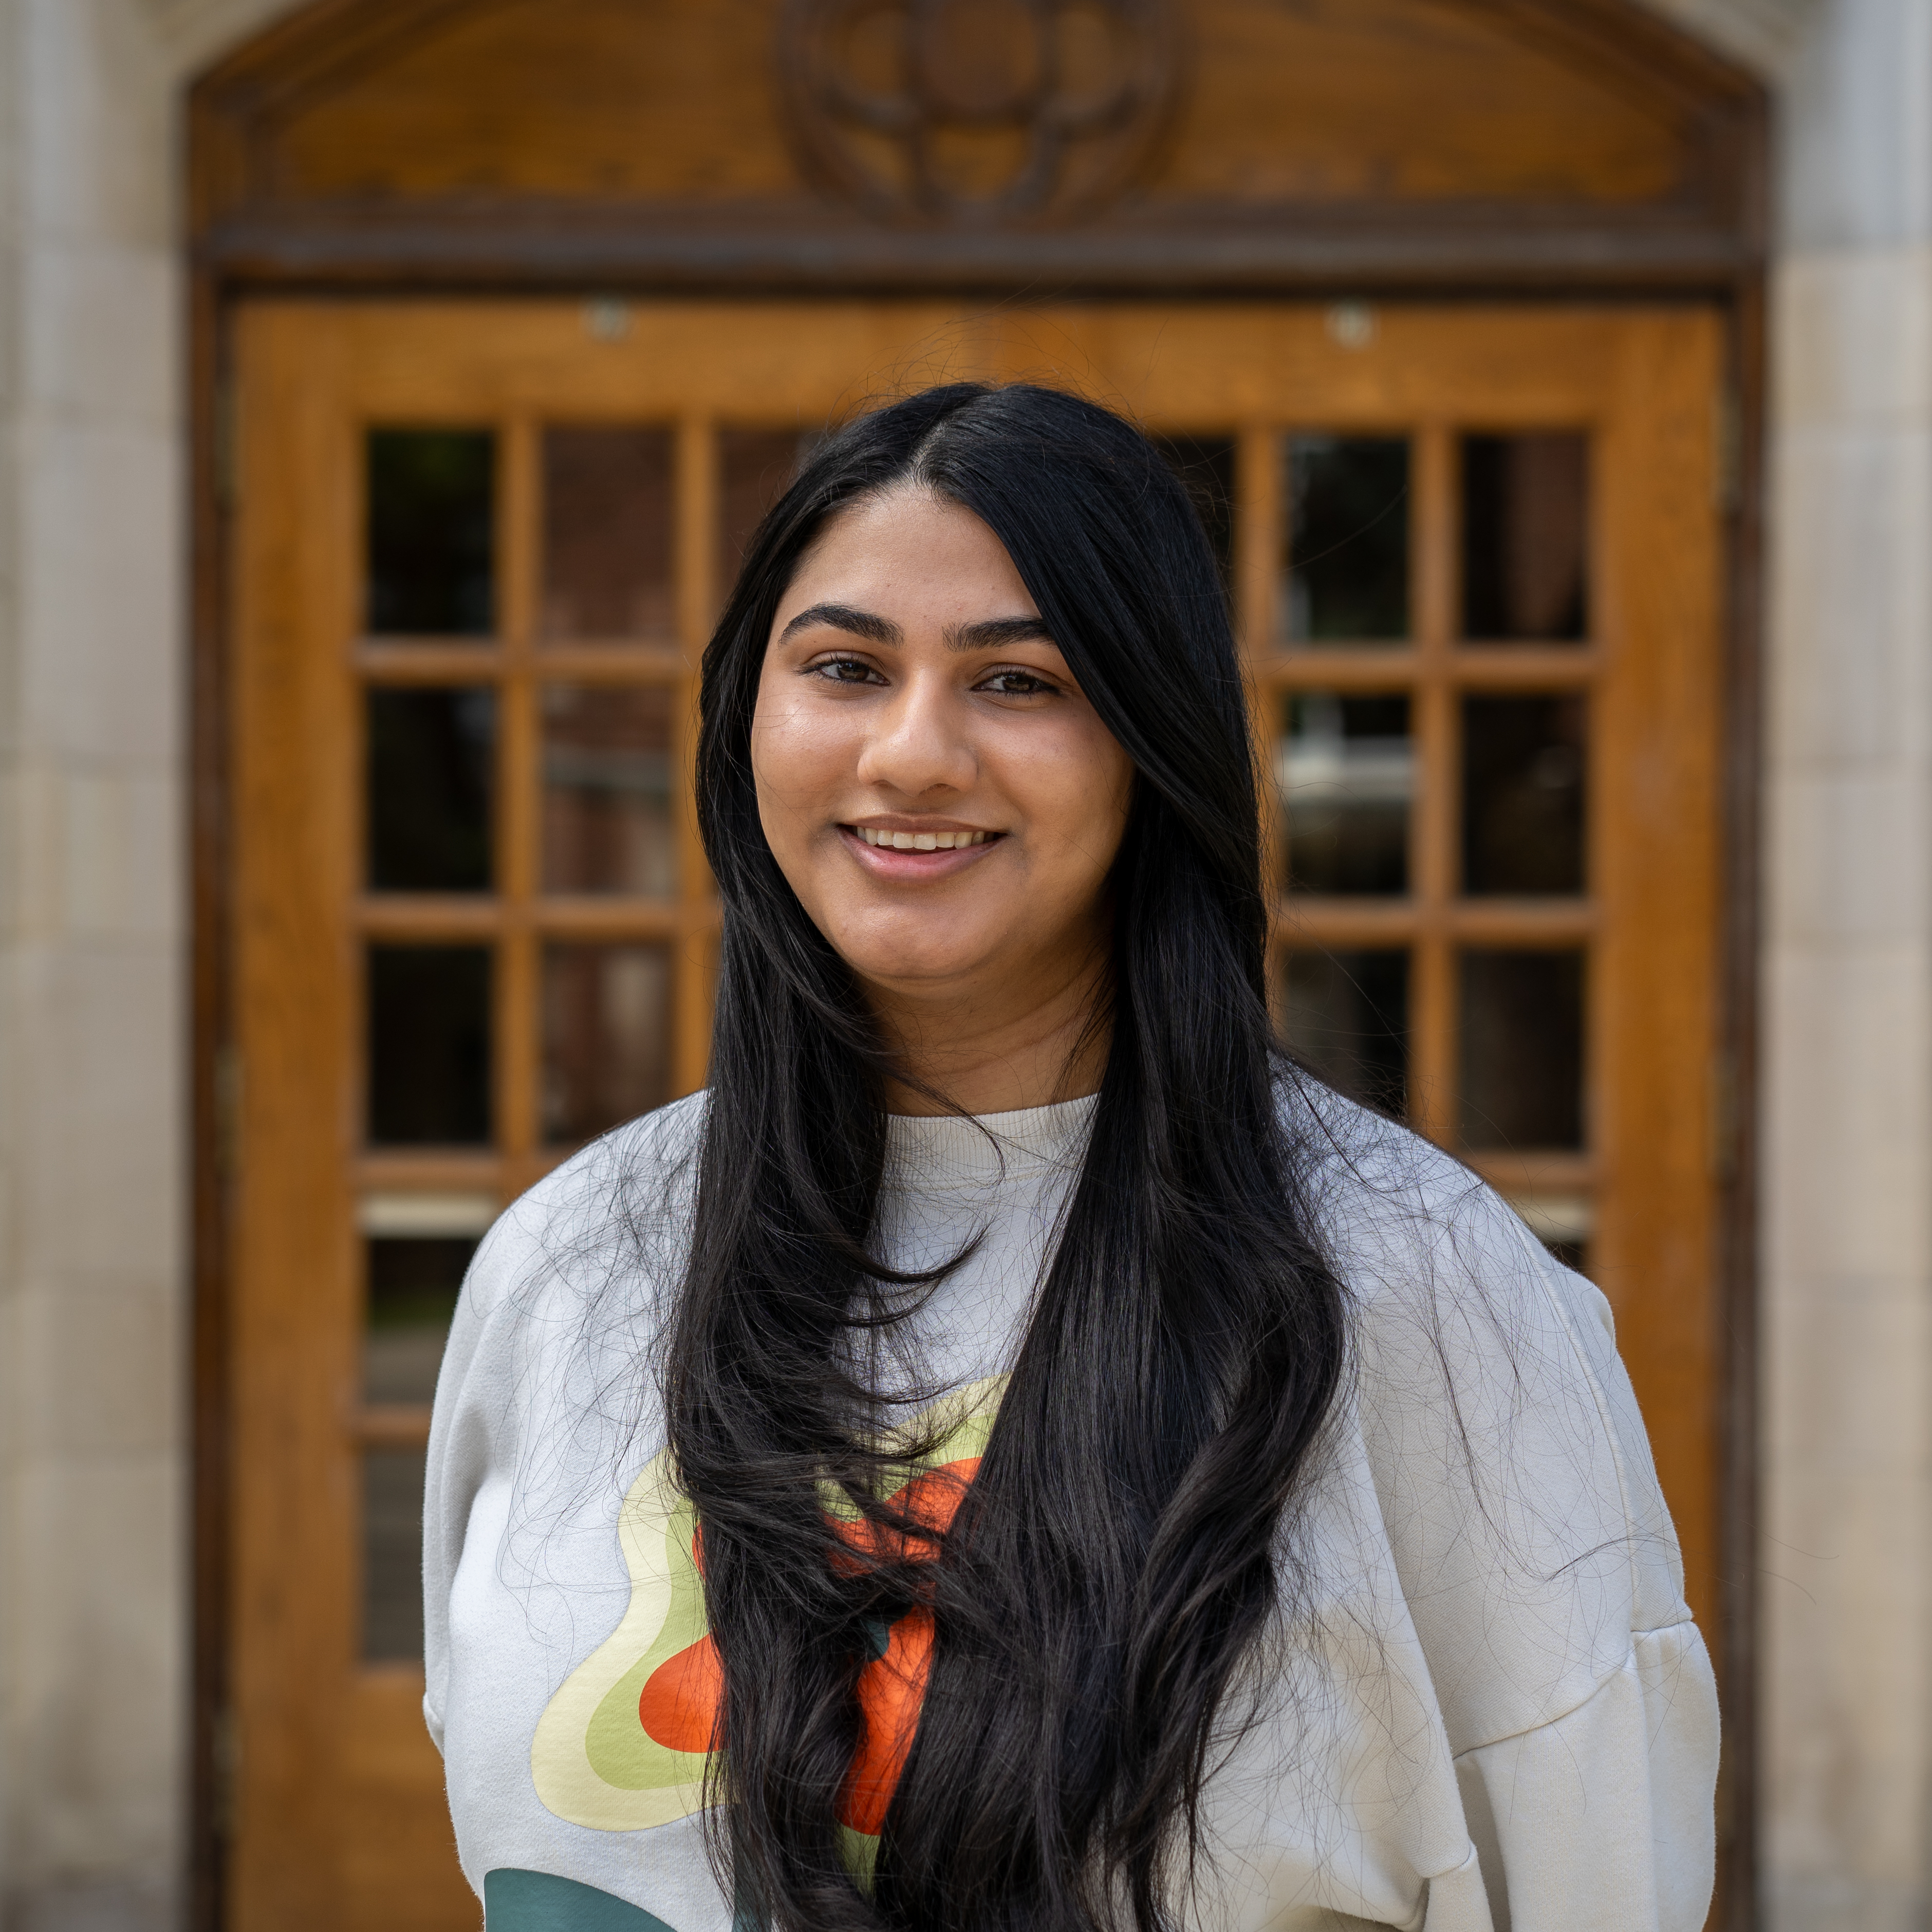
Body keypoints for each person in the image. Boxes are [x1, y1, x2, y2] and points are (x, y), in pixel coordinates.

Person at [423, 382, 1718, 1932]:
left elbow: (1591, 1870)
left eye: (1018, 682)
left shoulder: (1421, 1292)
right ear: (745, 722)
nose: (912, 753)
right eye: (842, 666)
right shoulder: (570, 1263)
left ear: (1149, 743)